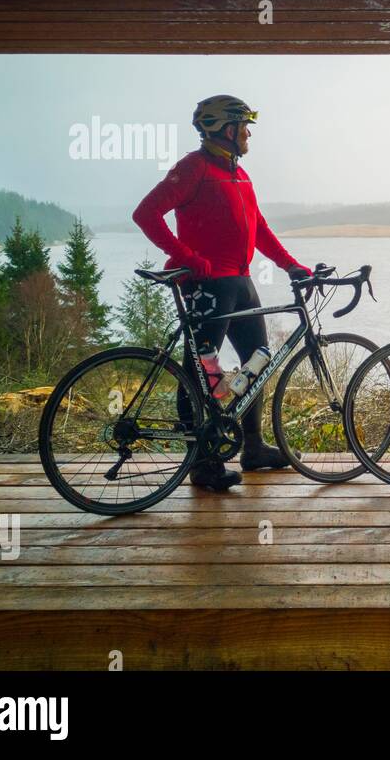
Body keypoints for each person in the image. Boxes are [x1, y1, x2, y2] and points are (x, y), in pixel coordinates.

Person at [132, 95, 311, 491]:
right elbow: (145, 214)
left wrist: (290, 264)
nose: (249, 133)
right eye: (245, 125)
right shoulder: (192, 168)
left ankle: (254, 447)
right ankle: (202, 464)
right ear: (227, 129)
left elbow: (258, 227)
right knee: (201, 375)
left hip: (241, 284)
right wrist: (186, 256)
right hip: (207, 287)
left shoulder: (240, 174)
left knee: (257, 362)